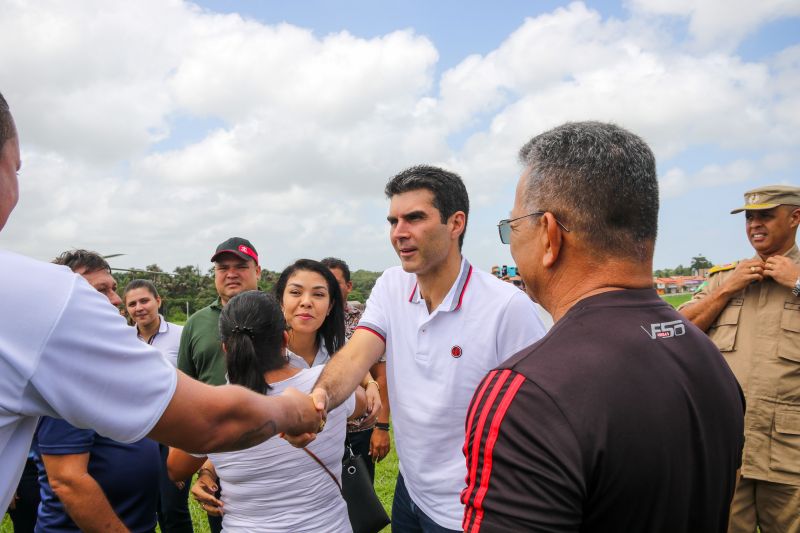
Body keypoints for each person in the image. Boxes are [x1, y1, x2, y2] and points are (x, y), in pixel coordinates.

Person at [0, 90, 322, 514]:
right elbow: (206, 420)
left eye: (240, 267)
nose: (119, 303)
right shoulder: (40, 297)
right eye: (17, 167)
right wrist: (291, 410)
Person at [461, 121, 744, 532]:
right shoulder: (707, 356)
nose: (512, 242)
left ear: (549, 235)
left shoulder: (527, 392)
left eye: (512, 227)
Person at [300, 165, 547, 532]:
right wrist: (318, 399)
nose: (399, 233)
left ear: (456, 223)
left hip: (470, 510)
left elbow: (540, 420)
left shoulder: (506, 308)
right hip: (411, 491)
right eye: (393, 221)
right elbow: (357, 355)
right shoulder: (391, 286)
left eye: (414, 218)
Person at [168, 290, 365, 532]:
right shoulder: (325, 385)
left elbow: (176, 467)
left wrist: (209, 466)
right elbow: (362, 403)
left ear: (225, 348)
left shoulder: (212, 409)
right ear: (285, 339)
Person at [679, 185, 800, 533]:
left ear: (795, 217)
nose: (754, 225)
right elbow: (678, 333)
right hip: (728, 450)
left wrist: (797, 282)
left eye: (766, 215)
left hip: (790, 453)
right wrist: (729, 288)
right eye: (749, 217)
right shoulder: (724, 278)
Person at [34, 251, 161, 533]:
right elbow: (68, 480)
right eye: (101, 290)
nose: (116, 300)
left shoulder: (110, 357)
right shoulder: (68, 366)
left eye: (113, 288)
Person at [176, 236, 262, 533]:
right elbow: (185, 392)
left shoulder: (279, 315)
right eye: (223, 267)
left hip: (275, 448)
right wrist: (203, 465)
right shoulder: (197, 324)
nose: (231, 273)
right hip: (217, 453)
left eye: (241, 265)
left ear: (258, 271)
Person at [124, 279, 194, 533]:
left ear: (158, 301)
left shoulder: (181, 335)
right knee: (145, 507)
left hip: (174, 433)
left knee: (172, 508)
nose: (139, 308)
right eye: (132, 304)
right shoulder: (122, 340)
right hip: (138, 433)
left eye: (144, 300)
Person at [321, 256, 392, 478]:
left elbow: (381, 375)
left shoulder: (365, 321)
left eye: (335, 283)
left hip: (359, 428)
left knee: (359, 495)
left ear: (349, 286)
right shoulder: (310, 321)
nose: (328, 289)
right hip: (321, 430)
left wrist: (381, 427)